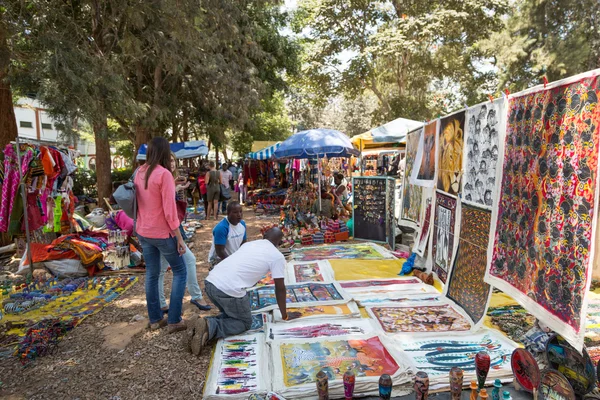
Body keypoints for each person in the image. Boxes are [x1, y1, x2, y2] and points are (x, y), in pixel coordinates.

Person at [186, 227, 299, 355]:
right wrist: (285, 315)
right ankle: (209, 326)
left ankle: (198, 327)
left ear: (264, 235)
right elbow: (280, 288)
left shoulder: (250, 244)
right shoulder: (276, 256)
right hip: (227, 290)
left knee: (232, 314)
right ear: (279, 243)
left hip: (210, 283)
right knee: (243, 322)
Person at [134, 137, 187, 333]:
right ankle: (174, 319)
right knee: (181, 272)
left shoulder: (139, 172)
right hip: (162, 233)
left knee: (152, 274)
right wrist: (179, 238)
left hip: (143, 231)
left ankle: (155, 319)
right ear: (165, 152)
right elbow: (169, 211)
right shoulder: (163, 174)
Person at [157, 153, 211, 313]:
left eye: (173, 160)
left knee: (162, 268)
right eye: (169, 159)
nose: (172, 163)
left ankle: (161, 303)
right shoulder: (161, 177)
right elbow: (164, 205)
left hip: (166, 228)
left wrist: (176, 188)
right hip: (167, 229)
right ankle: (194, 296)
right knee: (188, 261)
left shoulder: (165, 178)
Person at [208, 201, 246, 269]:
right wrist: (232, 263)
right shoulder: (222, 228)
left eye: (240, 211)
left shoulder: (242, 224)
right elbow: (220, 252)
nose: (239, 215)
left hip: (233, 259)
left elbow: (243, 244)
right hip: (219, 260)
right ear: (228, 213)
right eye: (235, 212)